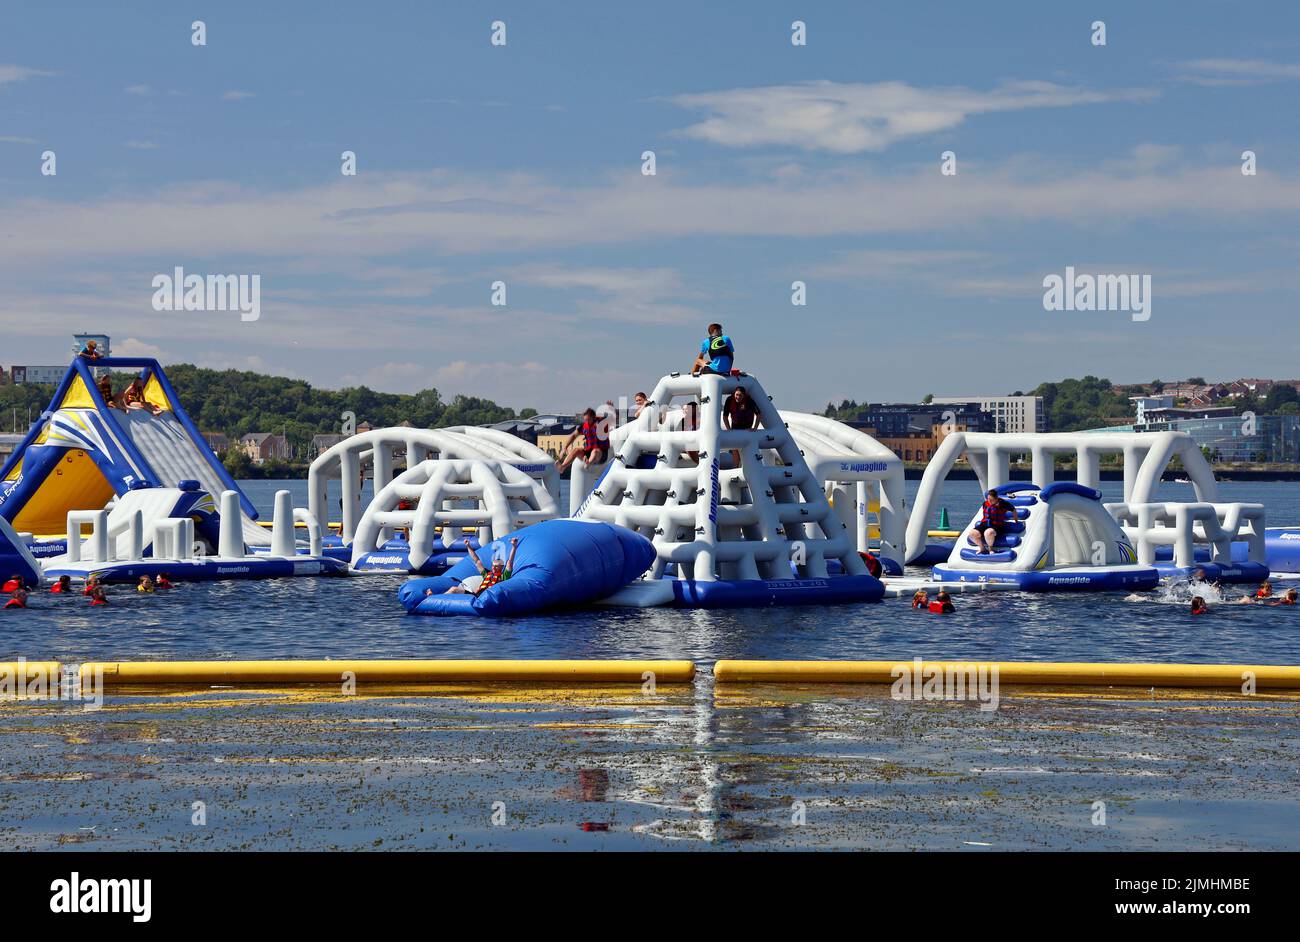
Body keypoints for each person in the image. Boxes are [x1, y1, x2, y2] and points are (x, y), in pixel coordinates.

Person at [435, 537, 520, 596]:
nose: (494, 568)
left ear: (502, 567)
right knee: (453, 589)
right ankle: (435, 597)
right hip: (477, 595)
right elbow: (477, 561)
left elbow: (510, 562)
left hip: (489, 597)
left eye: (497, 566)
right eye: (493, 566)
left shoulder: (504, 576)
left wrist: (514, 547)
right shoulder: (487, 574)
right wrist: (468, 546)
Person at [557, 409, 605, 473]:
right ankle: (562, 467)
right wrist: (564, 447)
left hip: (600, 455)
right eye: (585, 420)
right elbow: (573, 435)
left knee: (595, 451)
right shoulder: (584, 426)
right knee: (576, 450)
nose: (587, 422)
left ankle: (588, 463)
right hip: (588, 454)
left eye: (588, 420)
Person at [971, 489, 1017, 554]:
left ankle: (990, 549)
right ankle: (982, 548)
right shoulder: (985, 503)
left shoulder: (1003, 504)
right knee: (972, 533)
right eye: (988, 499)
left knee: (988, 532)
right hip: (985, 524)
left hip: (997, 526)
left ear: (996, 499)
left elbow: (1013, 510)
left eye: (991, 499)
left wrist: (1016, 521)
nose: (989, 501)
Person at [722, 387, 758, 468]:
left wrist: (755, 428)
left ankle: (746, 467)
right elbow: (725, 416)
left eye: (740, 395)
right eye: (737, 395)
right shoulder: (729, 400)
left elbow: (759, 415)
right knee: (735, 449)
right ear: (734, 394)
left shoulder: (749, 401)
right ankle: (736, 467)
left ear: (744, 396)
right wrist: (729, 429)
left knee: (745, 450)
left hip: (746, 429)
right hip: (735, 429)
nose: (738, 397)